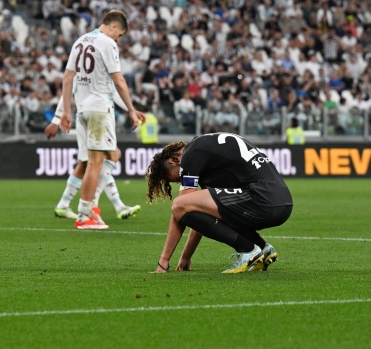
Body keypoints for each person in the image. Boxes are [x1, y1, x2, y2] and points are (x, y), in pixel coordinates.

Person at [145, 133, 293, 274]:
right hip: (281, 202)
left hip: (262, 199)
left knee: (178, 204)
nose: (180, 181)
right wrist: (185, 257)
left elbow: (182, 207)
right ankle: (262, 248)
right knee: (202, 206)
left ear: (174, 159)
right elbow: (200, 213)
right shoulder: (210, 149)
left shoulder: (191, 153)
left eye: (176, 178)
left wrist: (163, 261)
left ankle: (248, 250)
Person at [59, 10, 145, 229]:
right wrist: (132, 110)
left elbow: (68, 78)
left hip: (83, 109)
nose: (119, 40)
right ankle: (84, 215)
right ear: (114, 27)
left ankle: (94, 208)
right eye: (120, 35)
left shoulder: (80, 41)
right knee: (94, 163)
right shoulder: (107, 43)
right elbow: (118, 79)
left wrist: (66, 112)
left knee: (112, 154)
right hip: (99, 109)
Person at [45, 89, 142, 221]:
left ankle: (63, 205)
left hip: (93, 116)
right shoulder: (94, 69)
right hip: (95, 116)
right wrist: (56, 120)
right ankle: (97, 206)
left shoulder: (87, 71)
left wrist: (131, 109)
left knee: (87, 163)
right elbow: (69, 86)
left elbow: (112, 91)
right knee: (104, 158)